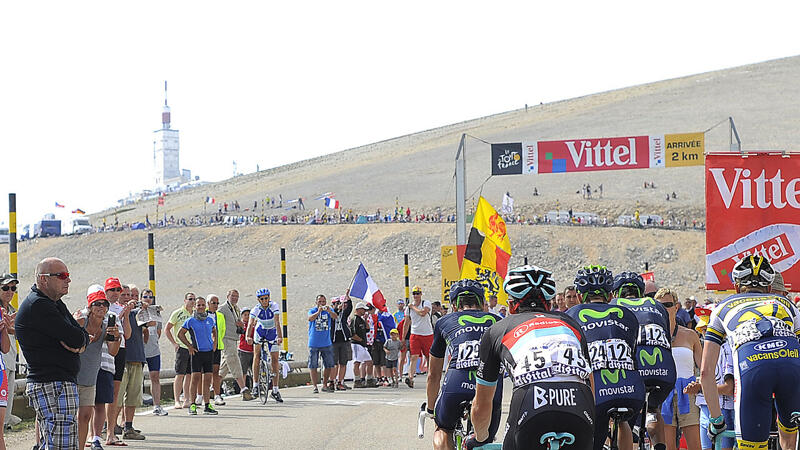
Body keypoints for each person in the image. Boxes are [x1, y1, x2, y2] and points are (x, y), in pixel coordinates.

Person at [470, 265, 594, 450]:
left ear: (511, 304)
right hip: (579, 404)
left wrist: (479, 439)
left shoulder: (497, 330)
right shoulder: (570, 324)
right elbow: (590, 384)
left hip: (530, 403)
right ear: (550, 302)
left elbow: (482, 405)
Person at [700, 256, 800, 450]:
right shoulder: (787, 304)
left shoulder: (722, 307)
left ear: (736, 288)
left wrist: (717, 419)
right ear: (770, 288)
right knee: (789, 441)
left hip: (752, 368)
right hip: (792, 368)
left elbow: (705, 372)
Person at [565, 266, 644, 450]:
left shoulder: (572, 314)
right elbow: (632, 351)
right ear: (610, 295)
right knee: (624, 420)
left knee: (593, 432)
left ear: (579, 295)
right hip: (631, 389)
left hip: (597, 391)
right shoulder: (627, 314)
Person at [17, 258, 88, 450]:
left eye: (68, 275)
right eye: (62, 276)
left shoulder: (55, 303)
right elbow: (75, 337)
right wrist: (79, 342)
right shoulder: (39, 305)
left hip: (59, 383)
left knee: (58, 441)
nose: (68, 280)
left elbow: (82, 337)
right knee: (60, 444)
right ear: (43, 279)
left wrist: (80, 343)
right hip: (51, 384)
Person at [426, 279, 503, 450]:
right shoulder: (499, 320)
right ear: (483, 303)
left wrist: (431, 409)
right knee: (484, 440)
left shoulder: (444, 321)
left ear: (454, 305)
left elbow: (433, 374)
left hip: (456, 382)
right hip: (490, 390)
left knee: (443, 429)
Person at [610, 272, 676, 450]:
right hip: (664, 369)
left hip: (634, 368)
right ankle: (660, 445)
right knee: (654, 410)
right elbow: (668, 339)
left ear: (616, 293)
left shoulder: (614, 305)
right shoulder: (655, 304)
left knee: (624, 415)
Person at [654, 288, 702, 450]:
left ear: (676, 307)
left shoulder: (690, 335)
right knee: (667, 446)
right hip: (662, 393)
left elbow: (704, 368)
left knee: (695, 445)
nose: (664, 309)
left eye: (667, 304)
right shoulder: (651, 336)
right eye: (659, 305)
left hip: (687, 392)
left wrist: (700, 385)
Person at [684, 306, 735, 450]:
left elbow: (728, 388)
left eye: (708, 330)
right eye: (703, 331)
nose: (705, 334)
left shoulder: (726, 350)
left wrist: (700, 387)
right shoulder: (705, 350)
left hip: (723, 409)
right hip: (705, 407)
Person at [75, 285, 120, 450]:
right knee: (71, 416)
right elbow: (66, 342)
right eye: (97, 303)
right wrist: (85, 341)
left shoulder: (107, 326)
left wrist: (117, 338)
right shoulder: (81, 321)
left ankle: (84, 445)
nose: (102, 307)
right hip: (73, 374)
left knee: (86, 415)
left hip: (90, 376)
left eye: (104, 304)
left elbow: (113, 352)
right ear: (90, 306)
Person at [103, 279, 133, 443]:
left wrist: (126, 315)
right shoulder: (100, 306)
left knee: (115, 393)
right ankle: (94, 432)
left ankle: (110, 432)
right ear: (106, 291)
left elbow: (127, 334)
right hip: (104, 350)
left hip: (120, 349)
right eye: (112, 289)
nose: (116, 293)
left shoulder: (121, 308)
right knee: (99, 392)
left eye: (118, 290)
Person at [178, 297, 218, 415]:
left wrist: (214, 344)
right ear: (195, 306)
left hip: (208, 352)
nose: (200, 307)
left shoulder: (210, 320)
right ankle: (192, 404)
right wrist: (189, 346)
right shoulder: (190, 321)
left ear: (205, 305)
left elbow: (214, 332)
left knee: (207, 380)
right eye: (198, 305)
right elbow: (180, 334)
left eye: (202, 305)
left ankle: (207, 405)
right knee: (195, 379)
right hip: (197, 353)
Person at [116, 286, 146, 441]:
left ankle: (128, 426)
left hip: (137, 357)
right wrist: (126, 311)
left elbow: (149, 332)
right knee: (118, 396)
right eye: (125, 295)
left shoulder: (137, 314)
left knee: (133, 396)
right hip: (122, 359)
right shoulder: (115, 312)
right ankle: (110, 426)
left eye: (131, 295)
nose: (128, 298)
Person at [245, 288, 284, 402]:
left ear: (269, 298)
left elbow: (277, 322)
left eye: (266, 298)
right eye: (262, 299)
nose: (264, 301)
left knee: (275, 359)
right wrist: (248, 336)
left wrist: (280, 337)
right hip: (260, 331)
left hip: (272, 332)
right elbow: (251, 324)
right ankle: (256, 385)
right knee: (256, 356)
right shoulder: (256, 309)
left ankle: (275, 390)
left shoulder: (274, 306)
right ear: (258, 300)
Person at [217, 289, 252, 400]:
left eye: (237, 296)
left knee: (225, 367)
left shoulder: (236, 309)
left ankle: (212, 388)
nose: (235, 298)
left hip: (234, 338)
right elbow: (217, 322)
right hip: (226, 338)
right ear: (228, 296)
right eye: (233, 296)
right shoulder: (223, 309)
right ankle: (243, 388)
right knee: (234, 361)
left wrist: (240, 324)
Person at [140, 288, 168, 416]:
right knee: (135, 379)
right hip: (140, 349)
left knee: (155, 377)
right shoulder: (138, 312)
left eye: (150, 297)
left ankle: (157, 405)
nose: (148, 299)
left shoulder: (156, 312)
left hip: (153, 349)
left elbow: (158, 332)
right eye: (145, 296)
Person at [165, 293, 196, 408]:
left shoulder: (195, 314)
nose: (192, 301)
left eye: (194, 299)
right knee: (180, 373)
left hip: (193, 347)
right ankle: (177, 400)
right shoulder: (178, 313)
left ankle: (186, 398)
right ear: (185, 300)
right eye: (190, 299)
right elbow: (167, 329)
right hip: (182, 346)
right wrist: (174, 343)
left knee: (189, 374)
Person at [403, 285, 433, 388]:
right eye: (414, 293)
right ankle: (410, 377)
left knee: (429, 356)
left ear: (421, 294)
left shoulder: (426, 303)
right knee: (414, 356)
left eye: (417, 293)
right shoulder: (409, 308)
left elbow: (423, 313)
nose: (416, 295)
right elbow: (406, 323)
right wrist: (403, 338)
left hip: (427, 333)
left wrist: (412, 307)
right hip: (415, 333)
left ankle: (431, 376)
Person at [0, 274, 19, 429]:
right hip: (1, 363)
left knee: (7, 403)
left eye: (13, 288)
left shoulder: (13, 310)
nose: (10, 291)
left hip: (11, 359)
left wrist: (13, 330)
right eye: (5, 288)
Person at [306, 294, 336, 393]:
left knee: (329, 365)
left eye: (323, 302)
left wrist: (329, 311)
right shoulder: (312, 311)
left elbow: (335, 317)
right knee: (313, 365)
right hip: (314, 343)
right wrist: (318, 312)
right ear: (316, 302)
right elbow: (310, 318)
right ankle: (315, 386)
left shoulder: (328, 310)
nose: (322, 303)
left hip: (326, 342)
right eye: (320, 302)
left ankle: (325, 385)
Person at [330, 294, 353, 390]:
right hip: (334, 341)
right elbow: (332, 315)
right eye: (336, 303)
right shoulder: (330, 313)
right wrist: (336, 310)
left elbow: (349, 309)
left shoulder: (343, 313)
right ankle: (332, 381)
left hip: (343, 340)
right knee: (334, 363)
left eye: (339, 303)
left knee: (343, 362)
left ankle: (340, 381)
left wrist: (348, 299)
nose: (338, 305)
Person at [206, 294, 226, 405]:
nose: (216, 305)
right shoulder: (203, 315)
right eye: (213, 303)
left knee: (216, 371)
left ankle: (217, 395)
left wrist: (217, 342)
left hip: (217, 347)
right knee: (204, 372)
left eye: (217, 303)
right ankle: (201, 395)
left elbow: (222, 330)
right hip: (205, 347)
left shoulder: (220, 316)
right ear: (208, 303)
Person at [350, 303, 371, 388]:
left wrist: (365, 320)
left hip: (363, 345)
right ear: (358, 309)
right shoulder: (354, 319)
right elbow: (352, 333)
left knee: (369, 361)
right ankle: (357, 380)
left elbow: (367, 329)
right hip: (357, 344)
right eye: (363, 309)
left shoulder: (361, 319)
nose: (364, 311)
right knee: (357, 362)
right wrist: (360, 340)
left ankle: (369, 380)